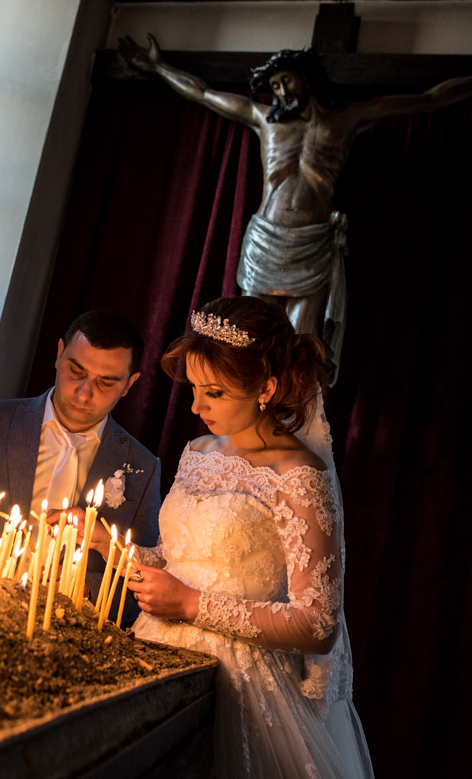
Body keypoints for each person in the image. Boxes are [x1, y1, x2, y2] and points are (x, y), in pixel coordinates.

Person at [118, 35, 472, 383]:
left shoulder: (346, 119)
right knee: (244, 347)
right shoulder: (262, 120)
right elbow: (201, 92)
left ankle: (291, 436)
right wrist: (157, 66)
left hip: (313, 243)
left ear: (308, 78)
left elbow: (430, 99)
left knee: (300, 351)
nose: (279, 90)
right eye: (273, 85)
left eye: (286, 80)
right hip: (265, 243)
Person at [121, 296, 373, 778]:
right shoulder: (196, 450)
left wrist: (193, 604)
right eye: (194, 388)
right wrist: (112, 548)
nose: (195, 406)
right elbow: (179, 560)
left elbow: (319, 626)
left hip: (241, 685)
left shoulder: (299, 474)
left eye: (213, 392)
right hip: (154, 653)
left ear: (266, 386)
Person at [0, 309, 162, 625]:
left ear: (129, 384)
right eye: (76, 371)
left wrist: (83, 590)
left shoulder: (142, 468)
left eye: (105, 382)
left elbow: (145, 580)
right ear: (58, 355)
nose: (84, 392)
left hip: (64, 637)